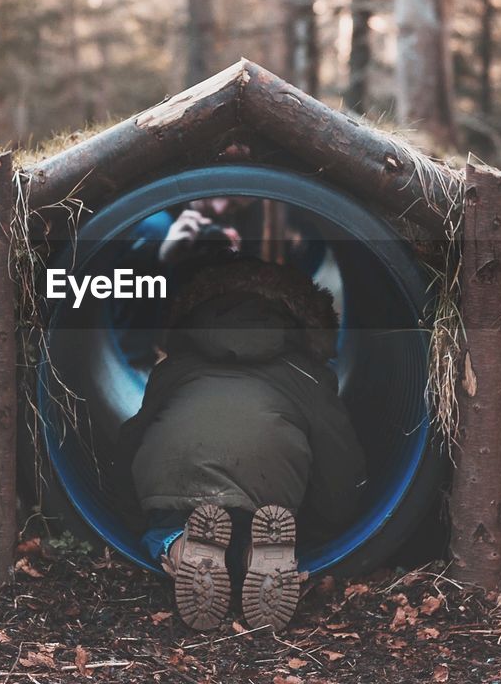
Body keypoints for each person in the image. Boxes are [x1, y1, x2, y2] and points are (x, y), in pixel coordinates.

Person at [117, 256, 367, 631]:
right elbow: (338, 457)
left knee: (163, 524)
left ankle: (181, 546)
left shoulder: (177, 364)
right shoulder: (307, 374)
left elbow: (134, 434)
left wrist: (129, 510)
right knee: (263, 518)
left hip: (176, 477)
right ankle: (256, 552)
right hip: (269, 483)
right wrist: (327, 522)